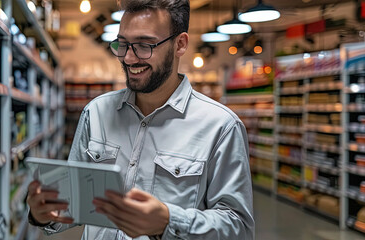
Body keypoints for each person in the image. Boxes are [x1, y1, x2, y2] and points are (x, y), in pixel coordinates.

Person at [26, 0, 255, 239]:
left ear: (180, 44)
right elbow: (73, 206)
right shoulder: (96, 113)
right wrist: (44, 213)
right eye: (122, 44)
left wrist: (168, 221)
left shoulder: (221, 127)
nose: (128, 58)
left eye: (144, 45)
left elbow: (239, 228)